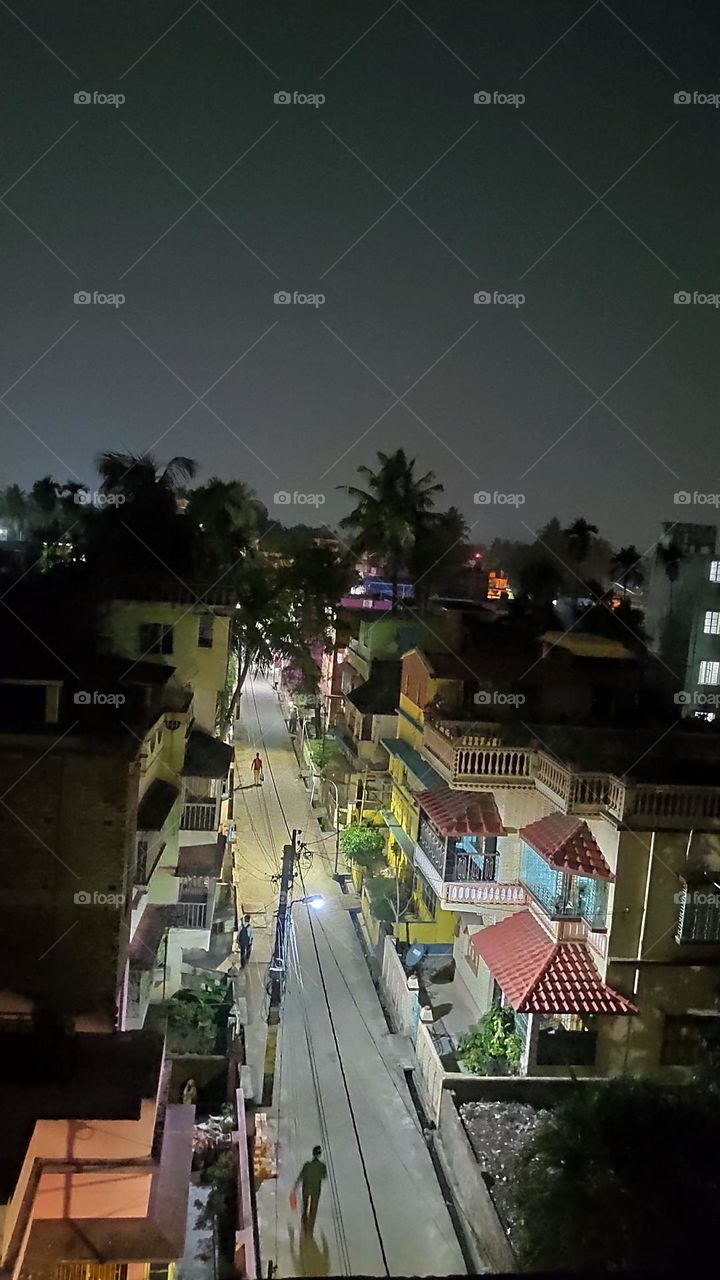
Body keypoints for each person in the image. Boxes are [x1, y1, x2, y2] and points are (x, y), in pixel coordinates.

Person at [294, 1145, 327, 1233]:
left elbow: (301, 1176)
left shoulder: (307, 1165)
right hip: (316, 1190)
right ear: (319, 1154)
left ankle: (304, 1228)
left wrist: (295, 1187)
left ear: (313, 1154)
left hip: (306, 1189)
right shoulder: (322, 1166)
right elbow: (324, 1176)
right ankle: (310, 1230)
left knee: (305, 1208)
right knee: (313, 1210)